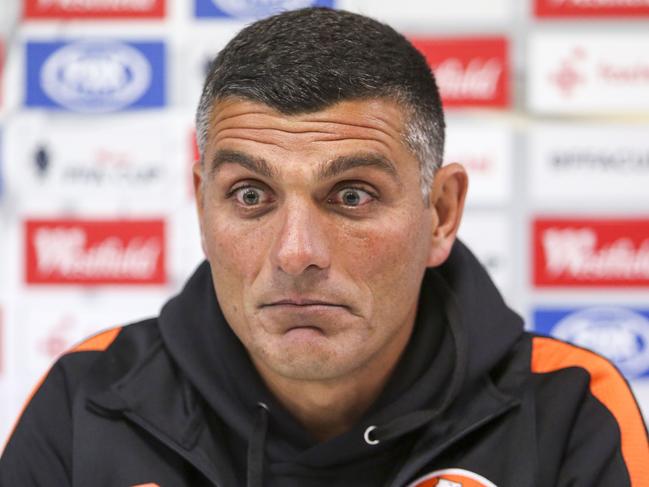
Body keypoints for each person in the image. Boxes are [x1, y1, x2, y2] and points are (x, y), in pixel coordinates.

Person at [2, 7, 648, 487]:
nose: (295, 252)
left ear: (442, 213)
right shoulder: (90, 399)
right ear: (201, 203)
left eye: (351, 196)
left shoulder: (566, 408)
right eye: (251, 195)